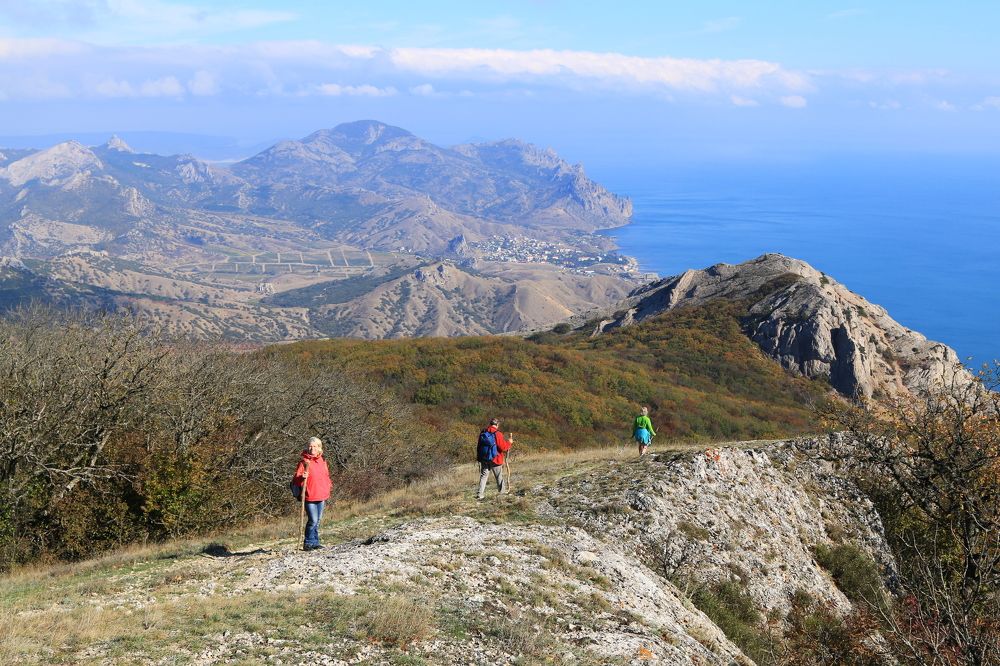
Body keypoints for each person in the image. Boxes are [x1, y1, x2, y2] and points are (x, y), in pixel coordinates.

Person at [291, 436, 331, 550]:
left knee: (317, 521)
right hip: (310, 495)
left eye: (314, 446)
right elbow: (296, 479)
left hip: (321, 494)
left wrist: (328, 487)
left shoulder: (322, 460)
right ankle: (308, 543)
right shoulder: (304, 462)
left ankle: (315, 542)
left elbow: (326, 476)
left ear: (319, 448)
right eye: (310, 446)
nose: (312, 448)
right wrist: (302, 477)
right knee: (313, 520)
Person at [476, 418, 512, 500]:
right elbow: (503, 447)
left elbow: (479, 446)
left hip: (484, 458)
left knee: (483, 476)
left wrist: (479, 458)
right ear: (497, 424)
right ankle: (502, 493)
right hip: (496, 458)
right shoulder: (498, 433)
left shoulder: (483, 432)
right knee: (499, 476)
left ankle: (480, 494)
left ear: (490, 423)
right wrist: (509, 442)